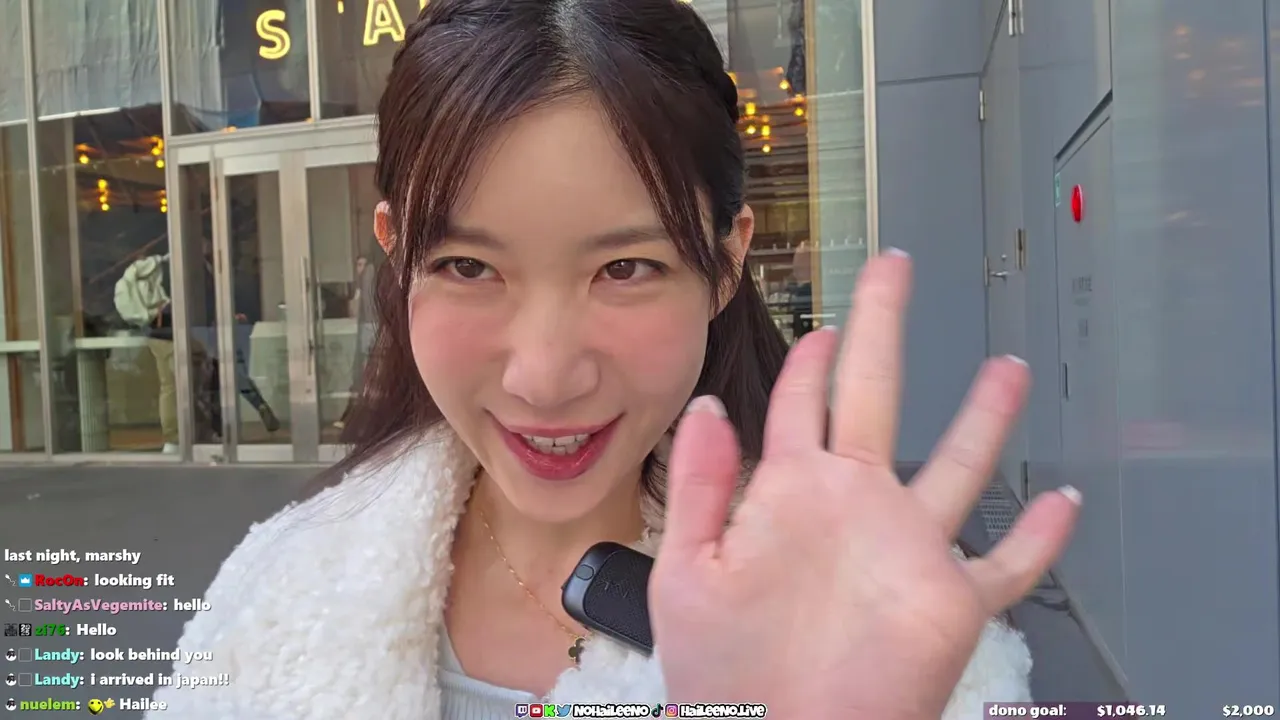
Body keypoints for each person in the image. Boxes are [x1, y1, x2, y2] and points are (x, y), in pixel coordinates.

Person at [146, 1, 1078, 718]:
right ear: (399, 255)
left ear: (725, 263)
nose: (545, 376)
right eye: (469, 266)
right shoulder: (278, 593)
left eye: (624, 268)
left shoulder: (870, 620)